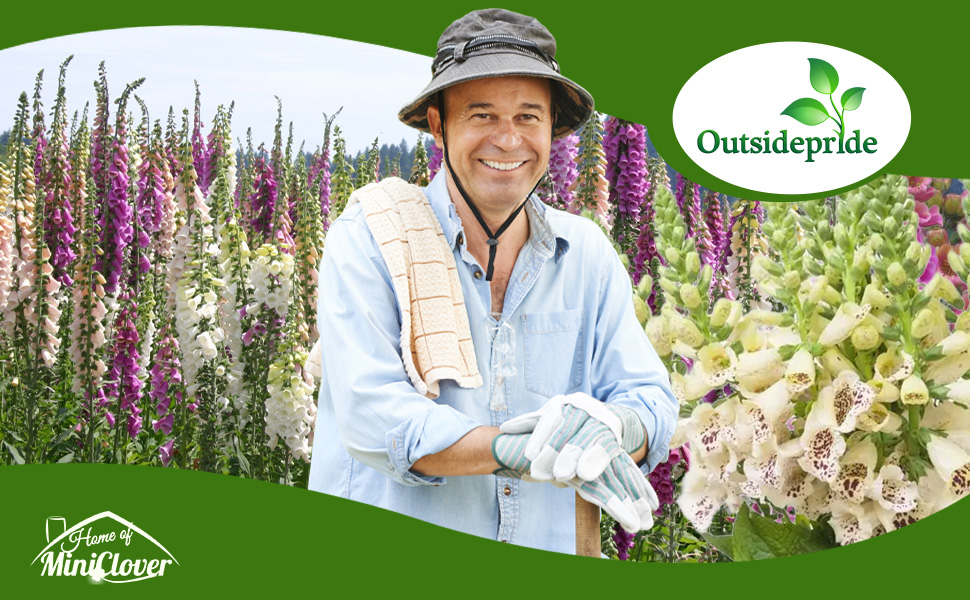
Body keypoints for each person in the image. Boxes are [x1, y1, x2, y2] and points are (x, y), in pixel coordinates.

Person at [308, 8, 677, 555]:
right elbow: (372, 415)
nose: (508, 141)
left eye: (529, 117)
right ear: (438, 124)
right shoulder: (371, 239)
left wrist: (614, 425)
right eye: (482, 115)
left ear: (552, 127)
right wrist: (516, 448)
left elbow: (651, 398)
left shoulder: (586, 255)